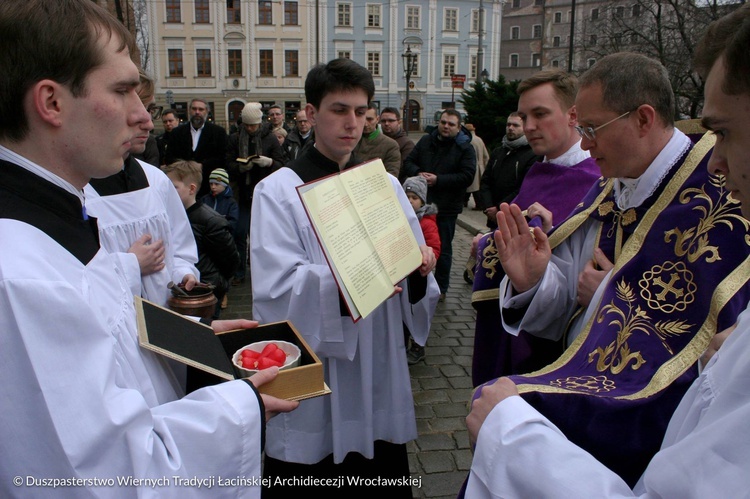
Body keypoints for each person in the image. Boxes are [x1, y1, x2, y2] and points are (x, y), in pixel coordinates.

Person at [0, 2, 297, 496]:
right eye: (121, 90)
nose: (142, 114)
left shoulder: (58, 213)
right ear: (51, 102)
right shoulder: (19, 273)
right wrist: (243, 404)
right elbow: (101, 477)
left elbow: (105, 319)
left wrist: (190, 339)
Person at [465, 5, 750, 496]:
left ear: (643, 119)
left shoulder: (722, 195)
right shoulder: (607, 189)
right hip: (586, 394)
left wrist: (615, 295)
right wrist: (537, 281)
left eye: (593, 128)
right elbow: (572, 318)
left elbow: (712, 349)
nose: (584, 142)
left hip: (656, 429)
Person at [250, 58, 440, 498]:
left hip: (378, 354)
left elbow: (412, 269)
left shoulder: (385, 187)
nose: (352, 123)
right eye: (339, 110)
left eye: (361, 111)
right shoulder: (277, 190)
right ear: (311, 113)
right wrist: (349, 283)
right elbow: (276, 288)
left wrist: (418, 268)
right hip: (321, 360)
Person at [470, 71, 599, 387]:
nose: (528, 126)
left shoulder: (596, 179)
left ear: (573, 116)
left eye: (540, 114)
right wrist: (488, 240)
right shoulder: (539, 169)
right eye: (524, 116)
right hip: (511, 314)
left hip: (553, 332)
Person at [85, 70, 200, 308]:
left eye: (151, 109)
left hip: (167, 317)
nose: (148, 122)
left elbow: (179, 247)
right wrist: (132, 264)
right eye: (136, 110)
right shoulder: (81, 190)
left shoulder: (156, 180)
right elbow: (78, 279)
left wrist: (183, 274)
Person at [403, 109, 476, 300]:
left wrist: (439, 180)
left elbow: (467, 176)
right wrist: (419, 173)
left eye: (451, 124)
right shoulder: (427, 141)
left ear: (459, 127)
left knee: (442, 248)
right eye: (443, 122)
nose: (446, 126)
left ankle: (441, 288)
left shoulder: (465, 148)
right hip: (420, 205)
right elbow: (408, 162)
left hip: (446, 207)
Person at [163, 161, 239, 319]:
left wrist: (217, 285)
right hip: (181, 291)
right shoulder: (166, 216)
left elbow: (230, 259)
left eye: (174, 187)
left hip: (205, 291)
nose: (167, 191)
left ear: (192, 188)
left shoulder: (211, 221)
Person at [225, 101, 285, 286]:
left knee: (263, 236)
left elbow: (282, 164)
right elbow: (227, 164)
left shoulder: (270, 138)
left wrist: (269, 163)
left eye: (254, 125)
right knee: (240, 233)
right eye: (247, 125)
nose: (251, 128)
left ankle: (264, 274)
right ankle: (240, 272)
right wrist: (241, 167)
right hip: (242, 192)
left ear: (260, 123)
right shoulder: (235, 138)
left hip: (264, 193)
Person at [477, 112, 540, 229]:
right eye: (508, 125)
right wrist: (488, 205)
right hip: (493, 217)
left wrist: (499, 208)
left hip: (514, 218)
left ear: (525, 128)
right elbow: (486, 181)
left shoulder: (532, 154)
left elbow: (524, 187)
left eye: (515, 125)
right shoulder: (498, 152)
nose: (510, 128)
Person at [402, 175, 441, 365]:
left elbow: (434, 246)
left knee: (418, 312)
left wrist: (427, 258)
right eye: (406, 196)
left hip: (420, 275)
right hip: (403, 274)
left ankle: (418, 346)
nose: (409, 200)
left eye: (414, 197)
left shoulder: (427, 223)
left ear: (423, 201)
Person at [165, 97, 228, 197]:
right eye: (194, 109)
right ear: (189, 110)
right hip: (183, 184)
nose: (197, 112)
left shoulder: (218, 132)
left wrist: (202, 166)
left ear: (207, 111)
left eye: (201, 109)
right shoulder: (177, 133)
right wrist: (186, 166)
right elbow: (169, 157)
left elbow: (223, 158)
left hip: (209, 186)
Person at [353, 103, 402, 177]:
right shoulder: (349, 141)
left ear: (377, 119)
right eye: (363, 119)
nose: (366, 124)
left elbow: (391, 176)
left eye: (370, 119)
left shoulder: (391, 145)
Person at [379, 106, 415, 182]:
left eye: (391, 121)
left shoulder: (407, 144)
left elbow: (402, 169)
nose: (386, 124)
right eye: (383, 121)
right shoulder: (378, 140)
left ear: (399, 122)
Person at [200, 167, 239, 233]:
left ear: (224, 185)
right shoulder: (204, 200)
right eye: (211, 184)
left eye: (217, 184)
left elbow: (232, 223)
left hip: (222, 238)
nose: (213, 187)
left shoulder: (231, 203)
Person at [463, 122, 490, 210]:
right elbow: (486, 156)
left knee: (470, 187)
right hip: (480, 166)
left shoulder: (468, 140)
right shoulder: (479, 139)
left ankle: (474, 204)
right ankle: (471, 202)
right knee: (476, 187)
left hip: (472, 166)